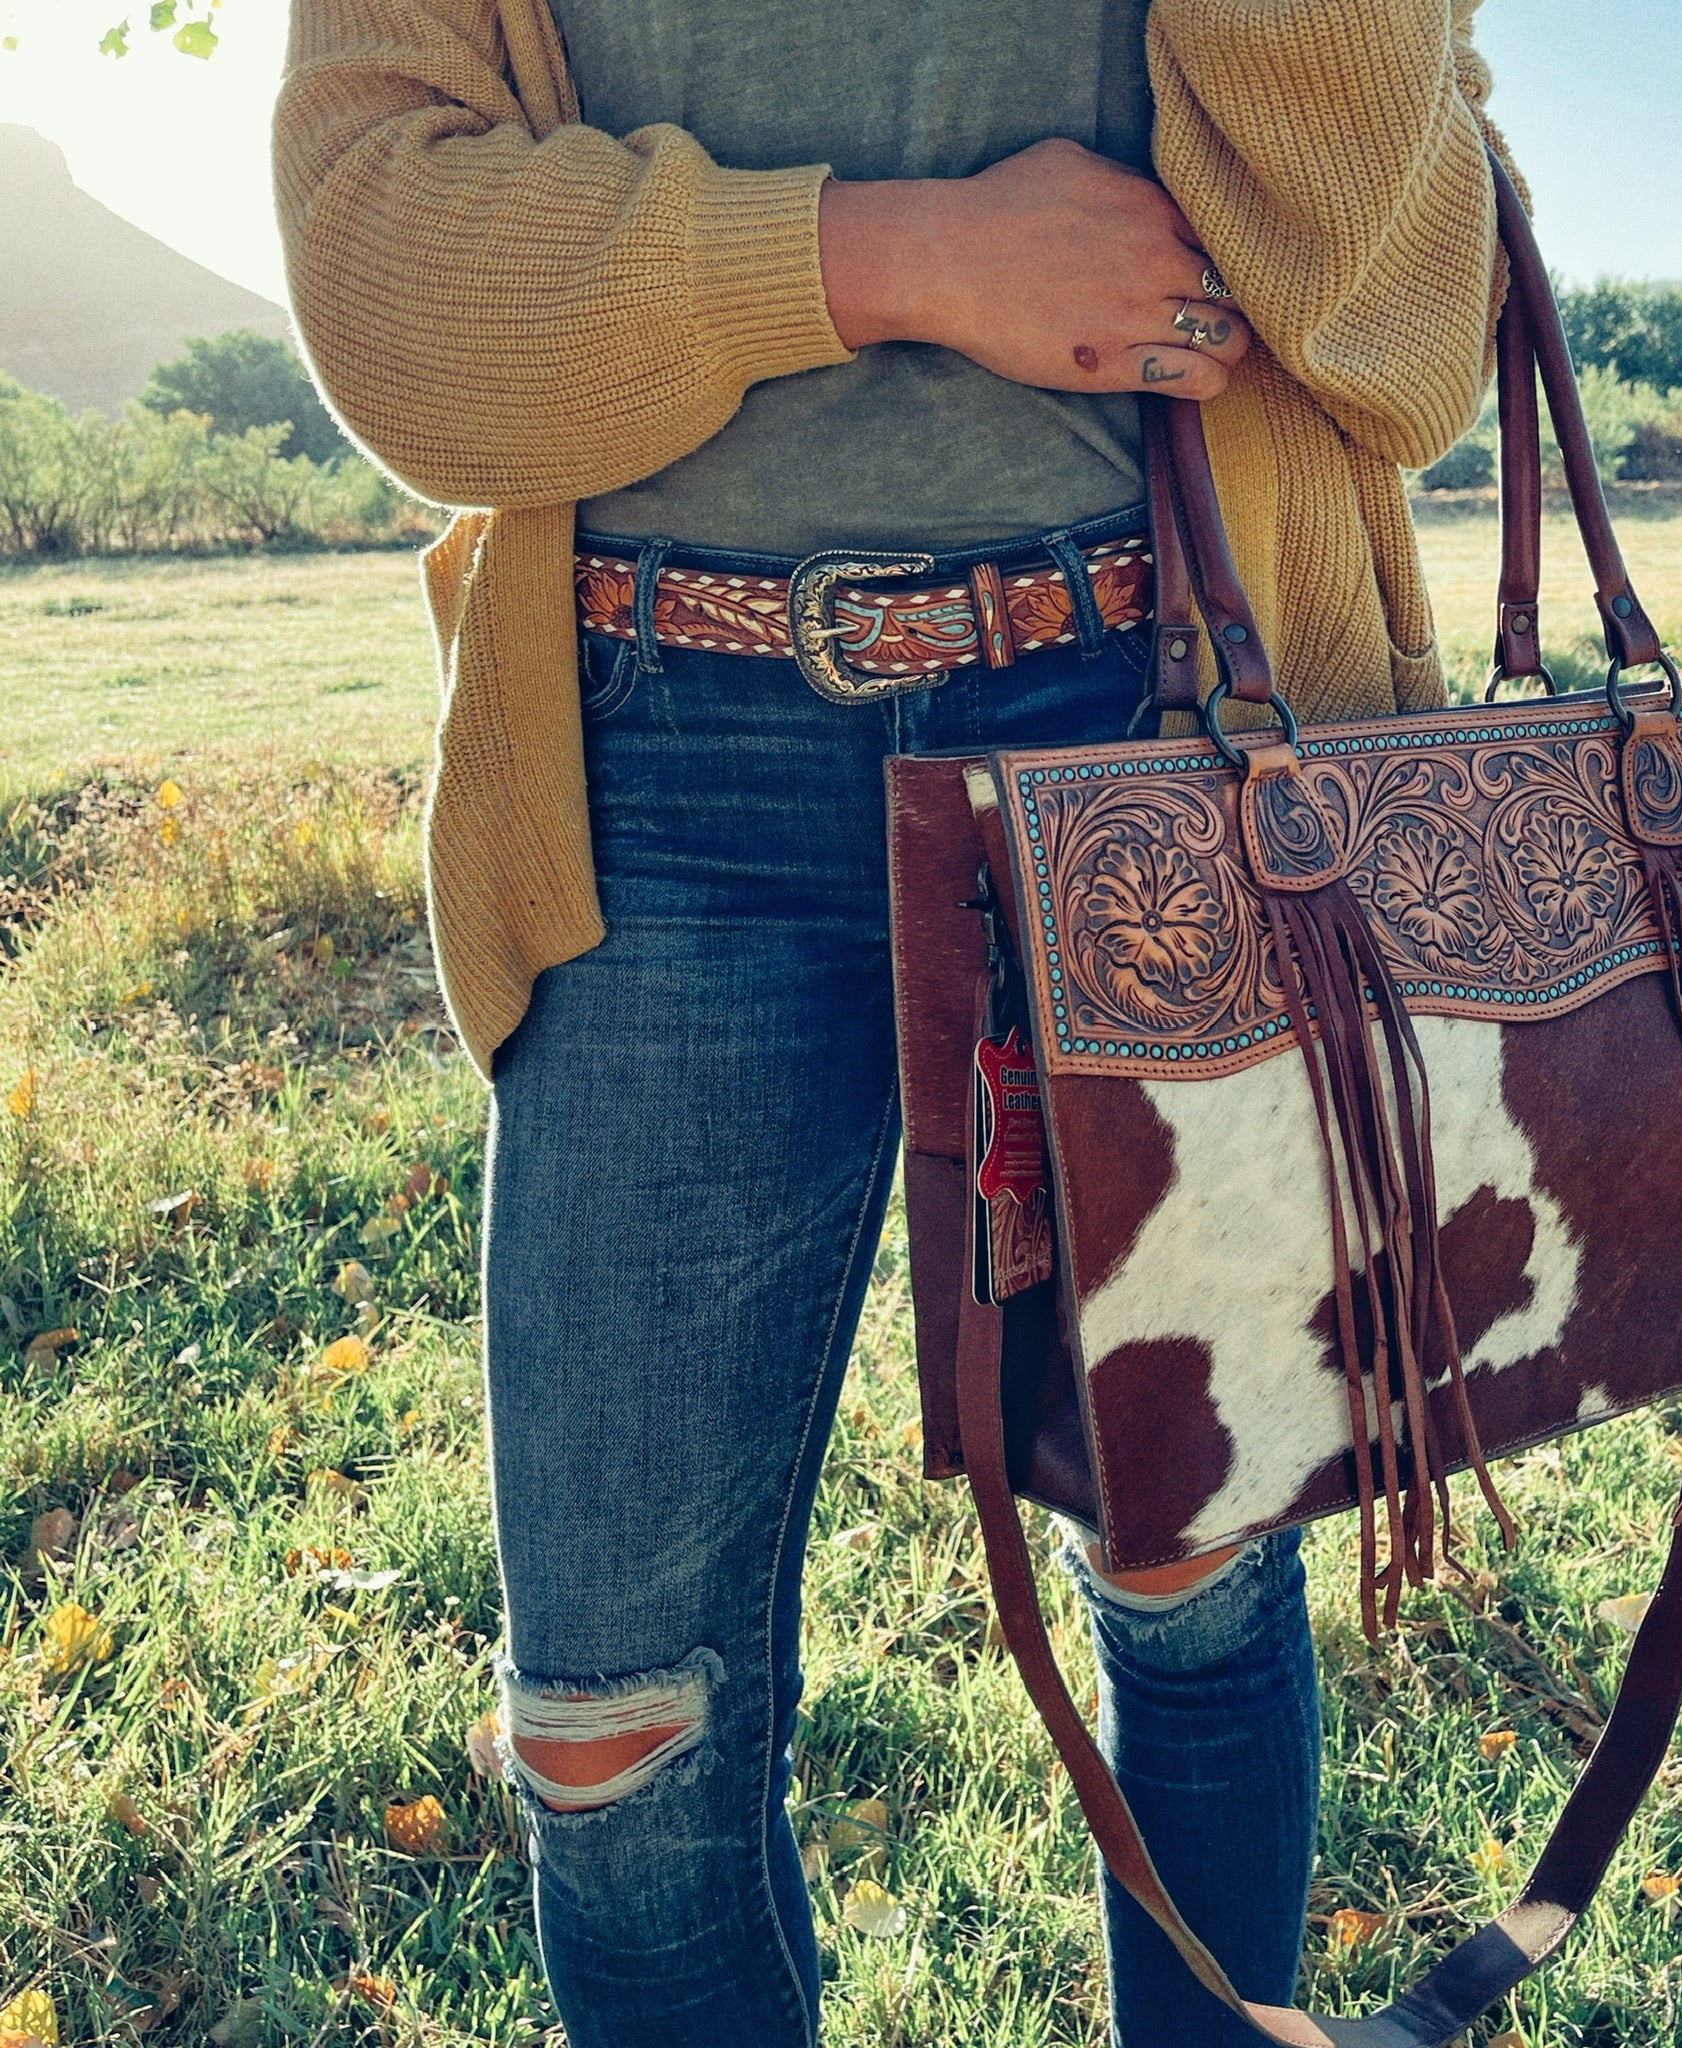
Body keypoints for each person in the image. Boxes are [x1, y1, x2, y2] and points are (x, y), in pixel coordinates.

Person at [274, 3, 1515, 2041]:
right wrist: (896, 255)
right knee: (610, 1727)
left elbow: (1395, 322)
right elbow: (385, 274)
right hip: (652, 767)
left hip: (1156, 702)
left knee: (1191, 1568)